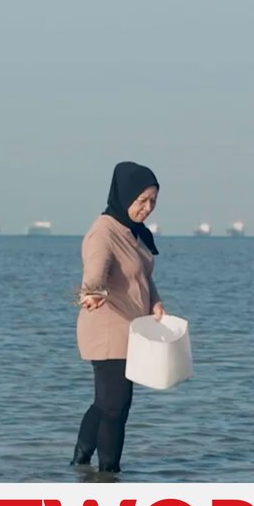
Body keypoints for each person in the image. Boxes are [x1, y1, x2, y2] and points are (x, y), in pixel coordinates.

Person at [72, 161, 166, 473]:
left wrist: (154, 301)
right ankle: (109, 476)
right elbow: (95, 269)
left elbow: (141, 276)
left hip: (132, 330)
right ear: (124, 195)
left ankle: (79, 464)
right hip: (108, 329)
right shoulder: (104, 232)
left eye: (153, 201)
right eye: (142, 200)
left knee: (106, 404)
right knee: (116, 407)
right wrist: (93, 291)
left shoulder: (132, 232)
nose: (148, 207)